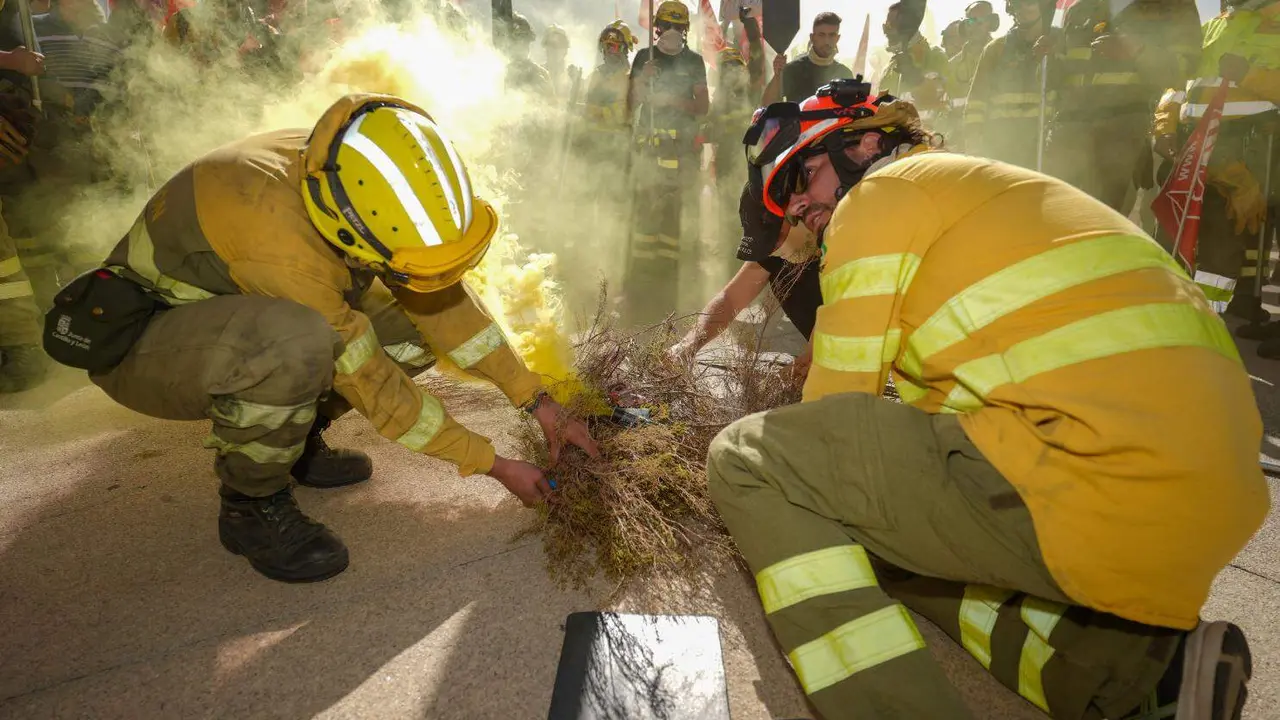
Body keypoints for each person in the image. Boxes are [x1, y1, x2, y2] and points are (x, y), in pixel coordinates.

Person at [707, 80, 1266, 720]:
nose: (803, 204)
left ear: (864, 144)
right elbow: (929, 424)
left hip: (1089, 468)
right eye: (791, 198)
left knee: (748, 460)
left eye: (805, 175)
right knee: (882, 539)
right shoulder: (981, 194)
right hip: (1193, 499)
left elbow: (835, 411)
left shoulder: (882, 194)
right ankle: (1144, 675)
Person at [47, 94, 600, 583]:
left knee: (401, 327)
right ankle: (250, 503)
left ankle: (294, 440)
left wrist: (538, 400)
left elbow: (443, 304)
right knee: (297, 343)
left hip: (236, 315)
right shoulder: (285, 250)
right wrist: (492, 463)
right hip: (147, 344)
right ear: (344, 232)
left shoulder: (346, 166)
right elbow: (373, 382)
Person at [1153, 0, 1280, 332]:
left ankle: (1207, 319)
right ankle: (1164, 308)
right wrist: (1165, 128)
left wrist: (1250, 74)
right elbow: (1176, 87)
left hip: (1244, 152)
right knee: (1170, 228)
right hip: (1190, 148)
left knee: (1222, 240)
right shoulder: (1213, 27)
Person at [1044, 0, 1201, 213]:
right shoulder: (1079, 8)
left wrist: (1138, 51)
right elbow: (1058, 78)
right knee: (1057, 219)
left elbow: (1185, 71)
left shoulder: (1175, 5)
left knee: (1105, 225)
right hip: (1069, 139)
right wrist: (1047, 59)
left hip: (1124, 139)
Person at [622, 0, 708, 325]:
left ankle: (666, 293)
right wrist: (642, 81)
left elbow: (703, 107)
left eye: (678, 26)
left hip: (680, 152)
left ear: (685, 30)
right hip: (648, 151)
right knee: (643, 220)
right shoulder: (645, 56)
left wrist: (671, 99)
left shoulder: (695, 62)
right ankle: (638, 289)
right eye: (666, 25)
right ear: (656, 28)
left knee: (671, 223)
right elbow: (630, 104)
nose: (671, 32)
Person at [965, 0, 1054, 168]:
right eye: (1017, 5)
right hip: (1002, 146)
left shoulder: (1057, 44)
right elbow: (976, 101)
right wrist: (973, 140)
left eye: (1029, 4)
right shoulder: (995, 49)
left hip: (1045, 145)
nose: (1022, 10)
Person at [761, 11, 853, 105]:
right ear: (812, 37)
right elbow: (767, 104)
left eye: (832, 35)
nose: (826, 41)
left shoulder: (845, 74)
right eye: (821, 35)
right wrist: (777, 76)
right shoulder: (793, 69)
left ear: (837, 38)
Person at [877, 2, 948, 120]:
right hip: (898, 135)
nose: (886, 31)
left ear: (907, 27)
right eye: (885, 26)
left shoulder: (934, 56)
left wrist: (914, 77)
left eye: (891, 25)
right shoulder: (891, 66)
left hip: (928, 134)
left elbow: (936, 96)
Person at [503, 12, 552, 96]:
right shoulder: (495, 72)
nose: (522, 45)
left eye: (525, 40)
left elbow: (554, 107)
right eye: (517, 41)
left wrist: (542, 91)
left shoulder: (541, 73)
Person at [541, 24, 581, 100]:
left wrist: (576, 84)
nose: (555, 49)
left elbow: (582, 105)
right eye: (551, 45)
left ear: (565, 50)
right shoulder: (537, 73)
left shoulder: (573, 76)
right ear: (545, 49)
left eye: (560, 45)